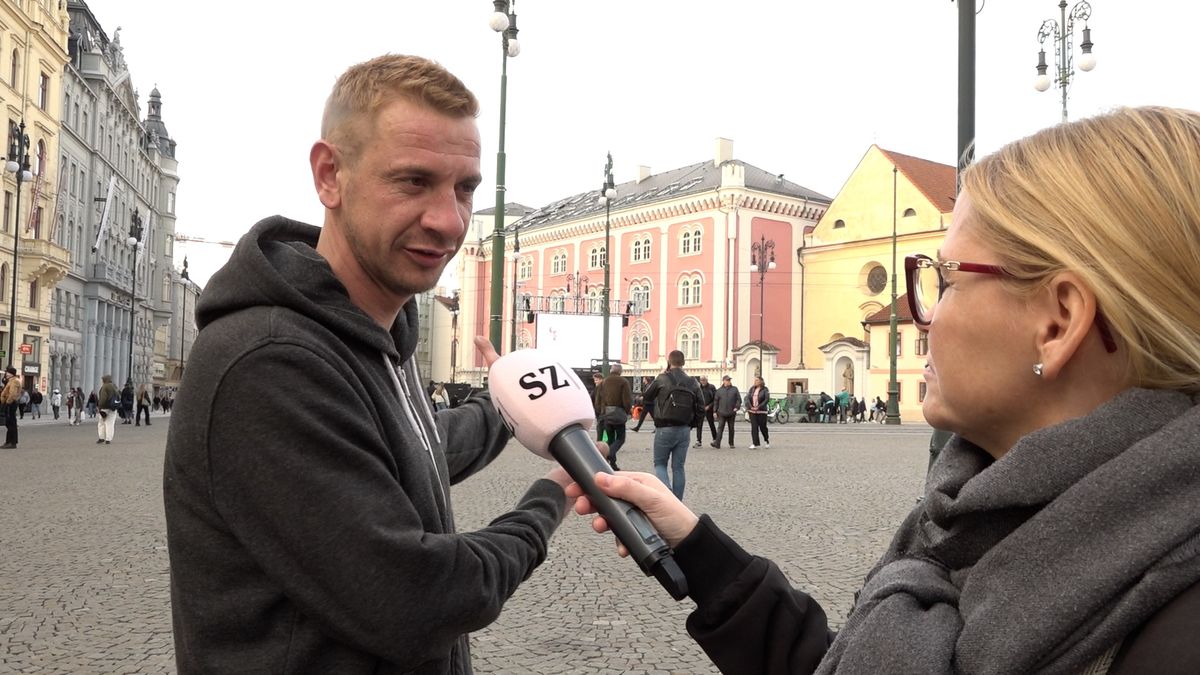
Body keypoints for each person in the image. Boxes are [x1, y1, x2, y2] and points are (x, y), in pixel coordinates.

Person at [567, 107, 1200, 674]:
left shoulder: (1175, 635)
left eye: (945, 281)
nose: (924, 316)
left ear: (1057, 322)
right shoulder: (966, 513)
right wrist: (697, 548)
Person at [162, 54, 576, 674]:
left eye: (464, 188)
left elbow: (420, 448)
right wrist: (547, 503)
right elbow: (416, 597)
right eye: (413, 181)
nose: (449, 220)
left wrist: (504, 401)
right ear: (330, 175)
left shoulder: (381, 336)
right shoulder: (269, 360)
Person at [640, 350, 702, 499]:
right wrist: (691, 425)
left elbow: (647, 395)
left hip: (664, 427)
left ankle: (666, 491)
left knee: (660, 464)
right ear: (684, 362)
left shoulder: (662, 378)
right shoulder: (693, 382)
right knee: (678, 468)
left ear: (669, 361)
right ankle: (678, 501)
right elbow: (701, 407)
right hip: (684, 429)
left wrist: (660, 374)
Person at [595, 364, 632, 470]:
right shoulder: (623, 382)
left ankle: (612, 464)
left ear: (611, 371)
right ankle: (610, 455)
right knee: (620, 438)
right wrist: (626, 410)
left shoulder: (604, 382)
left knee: (610, 440)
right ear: (620, 372)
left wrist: (600, 412)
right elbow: (627, 400)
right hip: (618, 413)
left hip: (606, 414)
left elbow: (598, 400)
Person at [710, 375, 740, 449]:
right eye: (727, 380)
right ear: (723, 381)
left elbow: (739, 399)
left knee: (731, 428)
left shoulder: (734, 389)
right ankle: (717, 443)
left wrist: (737, 407)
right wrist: (714, 411)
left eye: (729, 380)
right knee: (720, 428)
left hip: (731, 412)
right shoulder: (719, 390)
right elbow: (716, 402)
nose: (729, 381)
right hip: (721, 412)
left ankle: (731, 443)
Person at [745, 376, 770, 449]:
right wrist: (750, 406)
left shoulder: (765, 389)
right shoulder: (752, 389)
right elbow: (747, 398)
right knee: (754, 427)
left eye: (757, 380)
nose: (755, 382)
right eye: (755, 380)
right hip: (752, 411)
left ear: (761, 381)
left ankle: (766, 440)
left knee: (763, 427)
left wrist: (759, 407)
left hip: (761, 411)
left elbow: (766, 399)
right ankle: (755, 443)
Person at [693, 376, 717, 448]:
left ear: (707, 380)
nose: (702, 382)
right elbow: (695, 398)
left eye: (704, 380)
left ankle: (715, 439)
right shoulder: (698, 388)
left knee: (711, 424)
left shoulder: (712, 387)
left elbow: (715, 399)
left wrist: (709, 406)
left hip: (709, 409)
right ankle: (698, 441)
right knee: (699, 425)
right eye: (701, 380)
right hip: (700, 409)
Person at [96, 375, 119, 445]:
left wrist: (99, 406)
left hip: (105, 408)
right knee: (110, 424)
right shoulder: (114, 387)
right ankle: (108, 439)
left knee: (101, 423)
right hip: (113, 408)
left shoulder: (105, 387)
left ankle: (101, 437)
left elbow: (103, 398)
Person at [1, 367, 21, 448]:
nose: (6, 373)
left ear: (11, 373)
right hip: (10, 403)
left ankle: (11, 442)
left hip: (11, 403)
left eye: (7, 372)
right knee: (9, 423)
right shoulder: (11, 380)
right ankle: (9, 441)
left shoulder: (14, 381)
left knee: (11, 423)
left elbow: (12, 393)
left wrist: (8, 402)